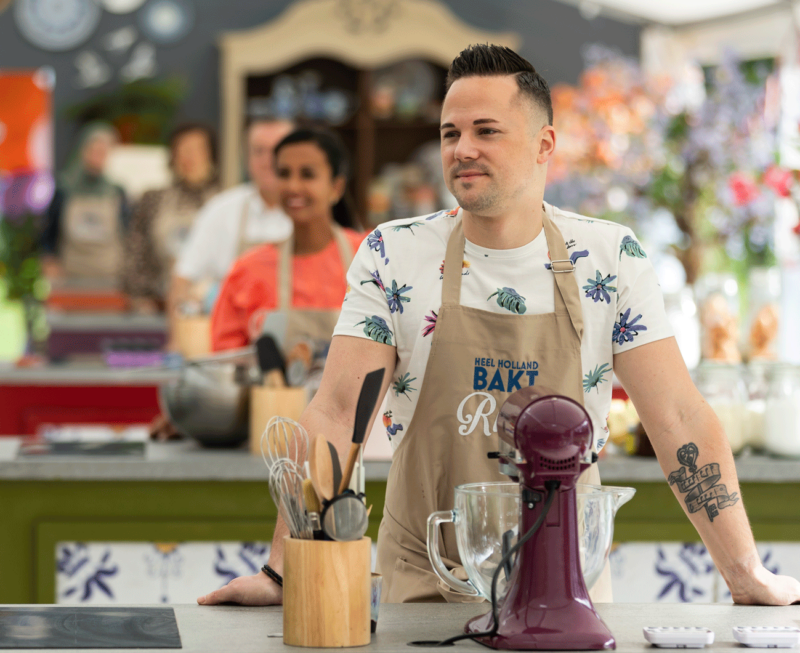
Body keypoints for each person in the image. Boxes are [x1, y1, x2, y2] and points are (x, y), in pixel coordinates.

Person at [197, 45, 800, 607]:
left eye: (486, 131)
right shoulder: (392, 254)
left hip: (569, 584)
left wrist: (745, 572)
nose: (463, 149)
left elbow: (678, 417)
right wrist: (283, 570)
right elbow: (333, 414)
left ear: (544, 144)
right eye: (450, 133)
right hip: (427, 578)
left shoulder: (611, 258)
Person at [210, 128, 363, 353]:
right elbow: (226, 363)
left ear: (336, 187)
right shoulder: (247, 271)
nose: (293, 186)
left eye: (307, 174)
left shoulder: (371, 258)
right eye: (283, 173)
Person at [167, 117, 294, 326]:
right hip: (229, 347)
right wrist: (179, 340)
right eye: (259, 151)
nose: (268, 160)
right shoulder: (220, 211)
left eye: (276, 151)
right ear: (246, 157)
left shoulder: (314, 214)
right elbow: (182, 280)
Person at [121, 122, 220, 313]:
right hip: (159, 305)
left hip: (211, 308)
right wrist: (141, 297)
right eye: (182, 150)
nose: (188, 158)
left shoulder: (223, 201)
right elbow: (135, 254)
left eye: (196, 150)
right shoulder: (153, 200)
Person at [41, 122, 130, 282]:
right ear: (82, 151)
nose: (97, 157)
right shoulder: (64, 188)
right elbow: (49, 231)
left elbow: (128, 233)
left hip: (110, 273)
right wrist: (49, 260)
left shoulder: (117, 192)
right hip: (70, 272)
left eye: (103, 152)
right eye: (93, 151)